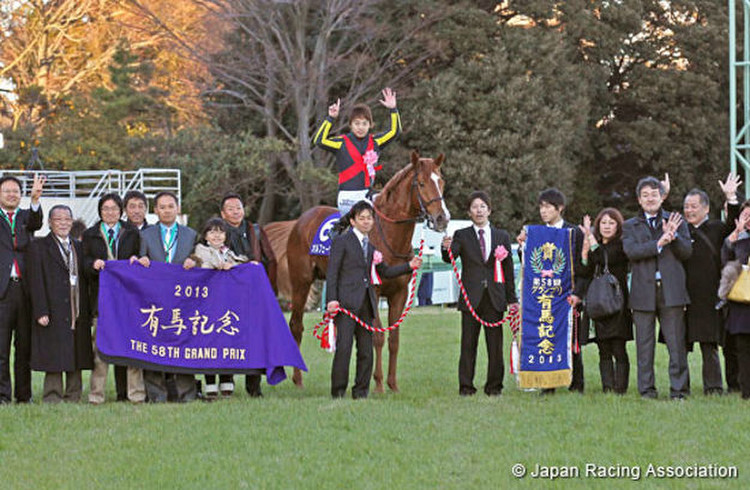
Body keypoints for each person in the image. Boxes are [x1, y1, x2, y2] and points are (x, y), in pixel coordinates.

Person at [326, 200, 421, 399]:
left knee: (366, 351)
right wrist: (332, 299)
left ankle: (361, 391)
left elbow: (385, 271)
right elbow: (332, 273)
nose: (366, 222)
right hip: (346, 304)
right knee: (344, 349)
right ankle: (338, 391)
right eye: (362, 218)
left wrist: (409, 266)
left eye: (369, 218)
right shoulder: (341, 242)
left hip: (367, 305)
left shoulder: (372, 247)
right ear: (352, 221)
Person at [441, 191, 518, 396]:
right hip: (471, 298)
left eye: (483, 206)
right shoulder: (462, 235)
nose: (479, 210)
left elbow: (508, 270)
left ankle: (494, 387)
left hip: (495, 297)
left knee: (495, 346)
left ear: (489, 210)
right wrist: (444, 247)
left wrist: (512, 299)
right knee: (468, 345)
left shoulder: (502, 236)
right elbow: (450, 257)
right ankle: (466, 387)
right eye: (475, 207)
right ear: (469, 212)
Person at [623, 176, 692, 400]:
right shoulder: (630, 225)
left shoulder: (676, 220)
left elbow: (686, 253)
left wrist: (673, 238)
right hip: (643, 291)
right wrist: (658, 243)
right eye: (645, 195)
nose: (650, 198)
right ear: (639, 200)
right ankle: (647, 390)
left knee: (676, 344)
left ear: (662, 197)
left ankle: (679, 391)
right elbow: (632, 252)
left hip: (671, 291)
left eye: (654, 194)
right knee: (644, 345)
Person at [516, 188, 587, 394]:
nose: (543, 211)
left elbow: (585, 268)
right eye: (541, 207)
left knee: (571, 340)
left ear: (560, 208)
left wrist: (578, 294)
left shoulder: (574, 233)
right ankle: (548, 384)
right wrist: (522, 245)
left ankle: (577, 383)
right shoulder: (535, 234)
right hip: (544, 296)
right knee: (544, 336)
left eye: (548, 207)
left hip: (567, 297)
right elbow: (528, 265)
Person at [82, 193, 145, 404]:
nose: (110, 213)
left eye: (114, 209)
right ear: (100, 211)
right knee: (100, 348)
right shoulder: (90, 234)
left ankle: (136, 394)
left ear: (121, 211)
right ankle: (96, 394)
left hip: (128, 300)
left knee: (132, 346)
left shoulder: (132, 232)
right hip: (102, 299)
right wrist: (93, 265)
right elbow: (84, 263)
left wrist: (137, 261)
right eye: (106, 209)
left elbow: (140, 258)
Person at [135, 191, 198, 402]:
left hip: (183, 300)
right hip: (154, 299)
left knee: (184, 344)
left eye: (171, 206)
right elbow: (141, 260)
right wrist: (142, 261)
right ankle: (156, 394)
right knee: (154, 344)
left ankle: (187, 393)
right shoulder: (145, 234)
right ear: (155, 211)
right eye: (162, 207)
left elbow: (198, 257)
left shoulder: (191, 234)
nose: (167, 210)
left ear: (177, 208)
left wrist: (194, 260)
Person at [27, 205, 93, 403]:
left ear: (72, 223)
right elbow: (35, 282)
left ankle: (74, 395)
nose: (63, 223)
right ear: (50, 223)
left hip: (76, 307)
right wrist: (41, 310)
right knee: (54, 353)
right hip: (52, 308)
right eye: (58, 219)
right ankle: (52, 396)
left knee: (76, 352)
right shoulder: (39, 247)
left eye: (67, 219)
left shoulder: (79, 247)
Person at [683, 175, 742, 395]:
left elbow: (733, 225)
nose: (689, 210)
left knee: (709, 345)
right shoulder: (680, 230)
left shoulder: (717, 228)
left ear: (706, 209)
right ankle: (680, 387)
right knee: (680, 347)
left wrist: (730, 197)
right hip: (684, 297)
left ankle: (714, 387)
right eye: (686, 206)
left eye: (694, 206)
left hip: (710, 296)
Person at [220, 192, 277, 397]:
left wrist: (270, 291)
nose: (236, 212)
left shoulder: (255, 230)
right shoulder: (218, 232)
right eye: (231, 209)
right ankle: (226, 382)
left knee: (254, 340)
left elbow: (271, 260)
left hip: (254, 295)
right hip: (227, 296)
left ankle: (254, 386)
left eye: (239, 208)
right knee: (226, 337)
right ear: (223, 214)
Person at [313, 88, 402, 215]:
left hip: (368, 194)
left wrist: (393, 109)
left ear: (370, 125)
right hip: (347, 196)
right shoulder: (341, 142)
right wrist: (331, 118)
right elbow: (319, 140)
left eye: (364, 124)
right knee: (365, 217)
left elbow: (395, 131)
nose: (360, 127)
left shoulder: (376, 141)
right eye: (357, 123)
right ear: (351, 125)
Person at [192, 218, 248, 399]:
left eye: (220, 232)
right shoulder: (201, 251)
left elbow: (242, 266)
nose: (217, 235)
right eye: (212, 232)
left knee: (226, 341)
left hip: (226, 305)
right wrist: (223, 266)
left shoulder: (230, 253)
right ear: (206, 236)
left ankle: (227, 379)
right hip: (207, 306)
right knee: (209, 342)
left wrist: (239, 266)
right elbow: (208, 264)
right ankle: (209, 382)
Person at [0, 174, 44, 404]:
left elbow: (37, 222)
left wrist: (35, 199)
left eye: (15, 191)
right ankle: (2, 395)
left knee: (24, 346)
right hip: (2, 293)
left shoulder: (26, 217)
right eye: (6, 191)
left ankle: (23, 395)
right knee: (1, 349)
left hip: (24, 291)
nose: (11, 194)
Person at [579, 208, 632, 394]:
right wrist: (585, 254)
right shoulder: (596, 244)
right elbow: (585, 271)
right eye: (603, 223)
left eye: (611, 223)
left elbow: (603, 256)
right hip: (598, 304)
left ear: (618, 226)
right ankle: (607, 387)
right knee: (603, 349)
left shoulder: (621, 245)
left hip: (616, 304)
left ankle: (620, 388)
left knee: (618, 348)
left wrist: (589, 237)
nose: (607, 226)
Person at [721, 200, 750, 399]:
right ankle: (746, 391)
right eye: (745, 216)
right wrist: (735, 237)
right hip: (741, 303)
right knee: (742, 349)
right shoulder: (736, 240)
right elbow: (726, 263)